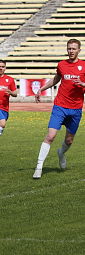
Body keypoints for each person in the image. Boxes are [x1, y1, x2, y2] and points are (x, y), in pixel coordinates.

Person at [33, 38, 85, 179]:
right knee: (50, 136)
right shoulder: (62, 65)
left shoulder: (84, 66)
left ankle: (61, 153)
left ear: (79, 51)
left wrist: (83, 83)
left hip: (76, 109)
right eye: (69, 48)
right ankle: (39, 167)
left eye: (74, 49)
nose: (71, 51)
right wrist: (41, 89)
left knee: (69, 141)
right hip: (60, 106)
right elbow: (56, 78)